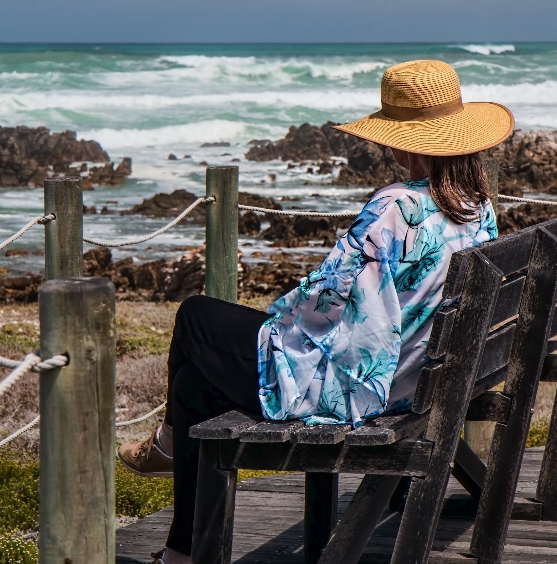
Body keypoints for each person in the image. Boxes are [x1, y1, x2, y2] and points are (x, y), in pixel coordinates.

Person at [117, 59, 514, 564]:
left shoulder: (393, 208)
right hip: (427, 377)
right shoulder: (476, 204)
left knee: (196, 315)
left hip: (369, 389)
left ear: (398, 140)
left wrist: (279, 319)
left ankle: (168, 444)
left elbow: (325, 301)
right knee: (194, 389)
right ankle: (181, 551)